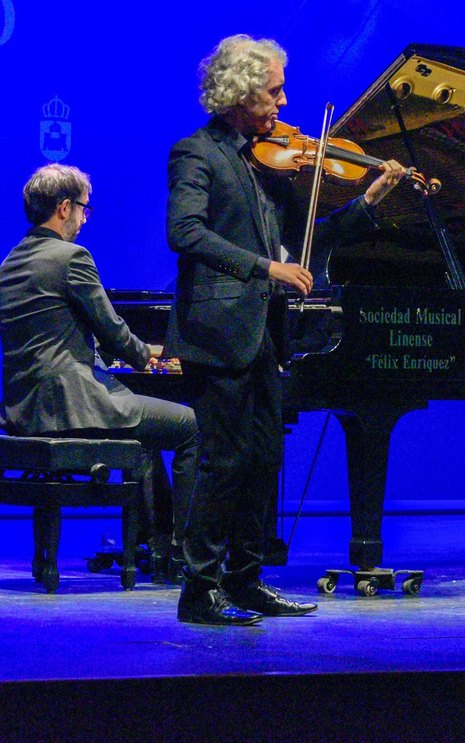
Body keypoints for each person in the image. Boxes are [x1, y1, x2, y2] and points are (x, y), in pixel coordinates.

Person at [167, 35, 409, 626]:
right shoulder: (195, 154)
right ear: (239, 93)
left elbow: (309, 244)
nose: (283, 101)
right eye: (273, 91)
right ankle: (199, 591)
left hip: (266, 333)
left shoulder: (271, 165)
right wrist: (265, 267)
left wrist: (369, 202)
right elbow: (185, 234)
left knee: (265, 459)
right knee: (223, 461)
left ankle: (246, 582)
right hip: (217, 332)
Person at [0, 163, 199, 566]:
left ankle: (153, 540)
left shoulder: (10, 264)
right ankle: (186, 552)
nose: (85, 220)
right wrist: (150, 355)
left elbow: (58, 334)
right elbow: (112, 330)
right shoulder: (72, 257)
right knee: (190, 425)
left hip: (24, 409)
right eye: (84, 210)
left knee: (142, 437)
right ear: (64, 207)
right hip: (74, 405)